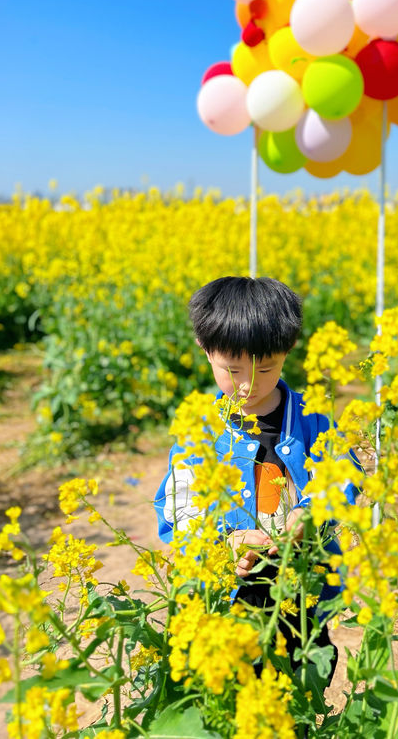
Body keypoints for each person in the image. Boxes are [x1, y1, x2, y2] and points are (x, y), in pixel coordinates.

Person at [154, 276, 360, 682]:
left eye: (265, 368)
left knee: (302, 675)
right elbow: (180, 506)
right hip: (228, 589)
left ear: (288, 351)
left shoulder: (313, 419)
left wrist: (309, 514)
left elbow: (342, 478)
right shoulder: (198, 429)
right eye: (231, 369)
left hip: (301, 584)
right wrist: (223, 541)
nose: (248, 384)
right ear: (204, 349)